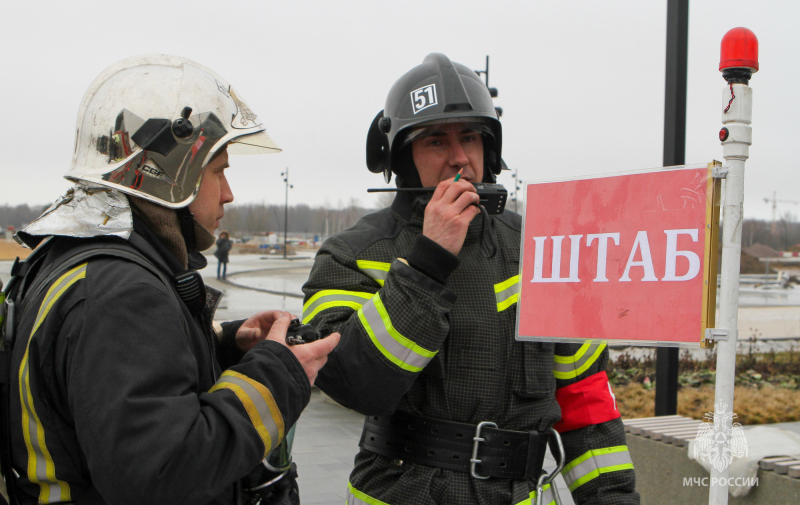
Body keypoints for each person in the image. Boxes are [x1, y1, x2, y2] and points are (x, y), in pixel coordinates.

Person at [301, 53, 639, 504]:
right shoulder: (352, 255)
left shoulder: (540, 249)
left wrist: (613, 499)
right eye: (436, 141)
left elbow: (586, 403)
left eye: (471, 138)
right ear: (403, 158)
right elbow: (356, 384)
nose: (460, 158)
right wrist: (428, 262)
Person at [3, 54, 339, 505]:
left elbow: (113, 384)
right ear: (172, 177)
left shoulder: (81, 262)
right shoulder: (121, 293)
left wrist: (225, 341)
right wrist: (278, 377)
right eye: (218, 172)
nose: (228, 194)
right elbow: (162, 472)